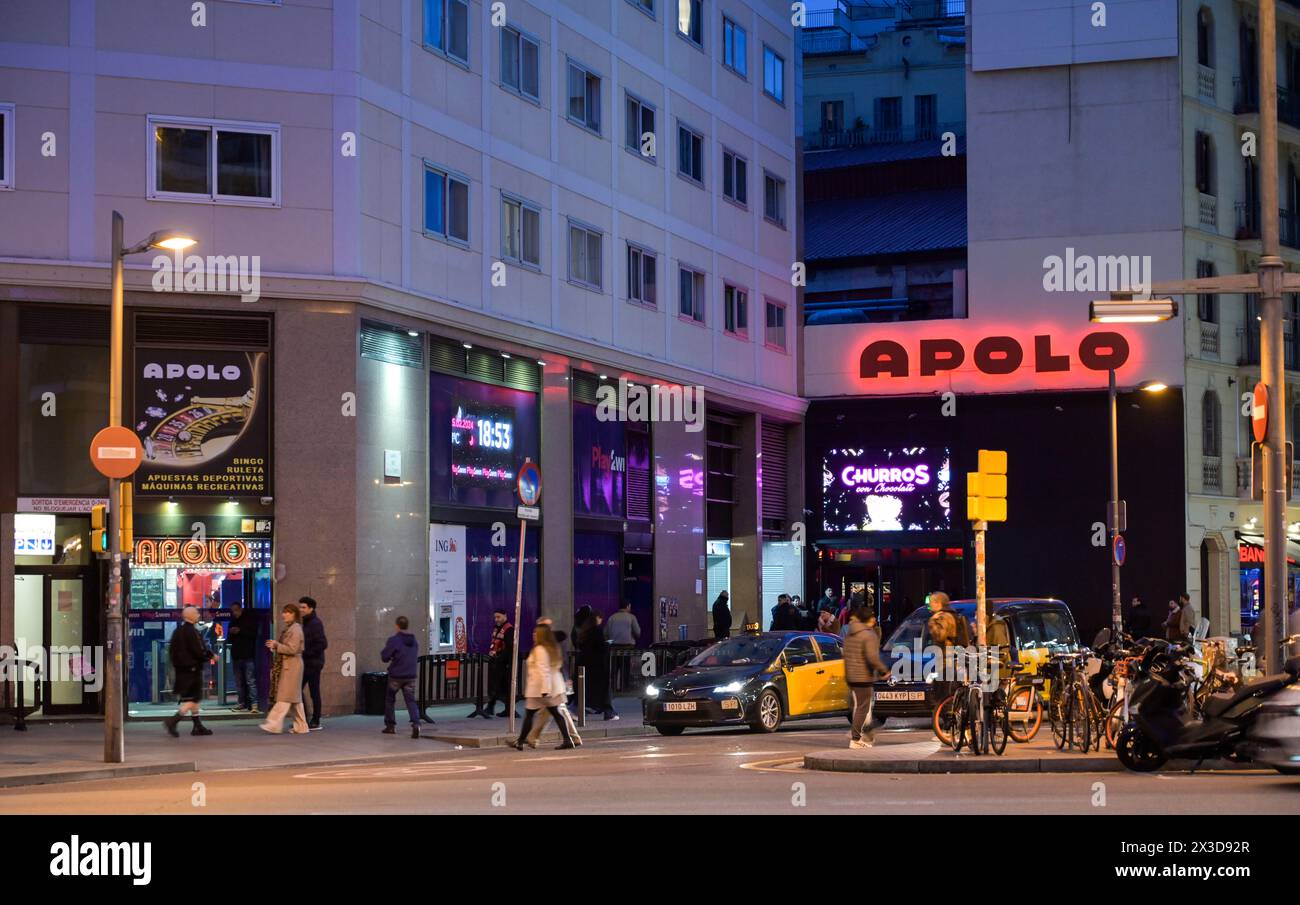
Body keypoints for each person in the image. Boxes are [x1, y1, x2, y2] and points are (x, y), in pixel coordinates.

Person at [509, 622, 577, 751]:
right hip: (550, 688)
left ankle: (520, 741)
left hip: (541, 690)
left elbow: (543, 670)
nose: (533, 635)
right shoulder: (552, 648)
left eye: (536, 633)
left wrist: (545, 690)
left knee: (531, 714)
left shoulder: (540, 650)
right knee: (555, 714)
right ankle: (567, 740)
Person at [525, 621, 584, 748]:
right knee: (555, 712)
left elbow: (548, 668)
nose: (534, 633)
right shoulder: (551, 644)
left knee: (554, 712)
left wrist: (547, 687)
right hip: (556, 684)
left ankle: (532, 738)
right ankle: (532, 738)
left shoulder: (548, 645)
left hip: (554, 685)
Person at [163, 606, 217, 737]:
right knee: (193, 698)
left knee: (191, 698)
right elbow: (199, 650)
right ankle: (173, 720)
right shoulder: (192, 632)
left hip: (182, 669)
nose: (198, 615)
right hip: (192, 669)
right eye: (197, 613)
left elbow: (172, 652)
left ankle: (197, 726)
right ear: (191, 616)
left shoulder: (178, 631)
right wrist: (211, 656)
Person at [260, 603, 309, 735]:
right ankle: (301, 726)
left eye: (287, 612)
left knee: (284, 697)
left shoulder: (295, 629)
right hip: (291, 665)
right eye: (284, 612)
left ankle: (273, 724)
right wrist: (277, 645)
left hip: (292, 666)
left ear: (294, 614)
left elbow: (292, 649)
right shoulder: (292, 628)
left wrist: (277, 645)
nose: (284, 615)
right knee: (294, 699)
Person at [844, 607, 889, 748]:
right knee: (863, 708)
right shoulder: (868, 635)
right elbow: (872, 658)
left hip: (851, 675)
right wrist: (884, 671)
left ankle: (861, 734)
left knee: (860, 707)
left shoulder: (850, 633)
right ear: (868, 619)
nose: (875, 619)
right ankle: (855, 738)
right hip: (863, 676)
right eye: (873, 616)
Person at [380, 615, 421, 738]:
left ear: (397, 626)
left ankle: (390, 726)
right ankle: (416, 723)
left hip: (396, 675)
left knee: (390, 699)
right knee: (410, 701)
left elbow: (385, 657)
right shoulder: (414, 641)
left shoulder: (394, 640)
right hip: (410, 676)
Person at [474, 608, 515, 719]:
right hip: (496, 661)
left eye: (498, 617)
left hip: (503, 663)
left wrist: (501, 658)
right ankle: (494, 707)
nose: (496, 619)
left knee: (502, 686)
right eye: (495, 617)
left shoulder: (509, 629)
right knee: (496, 686)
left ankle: (505, 709)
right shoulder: (497, 628)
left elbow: (510, 647)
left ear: (505, 616)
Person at [298, 596, 328, 730]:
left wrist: (306, 652)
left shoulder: (315, 623)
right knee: (299, 689)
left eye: (304, 607)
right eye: (300, 607)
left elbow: (323, 643)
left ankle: (315, 719)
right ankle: (305, 717)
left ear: (311, 608)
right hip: (307, 662)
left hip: (313, 663)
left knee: (313, 691)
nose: (301, 610)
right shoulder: (306, 622)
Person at [227, 602, 260, 713]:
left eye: (236, 610)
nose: (234, 613)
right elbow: (229, 639)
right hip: (237, 655)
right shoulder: (233, 621)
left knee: (250, 680)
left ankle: (254, 704)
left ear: (240, 609)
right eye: (233, 611)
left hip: (247, 654)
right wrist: (232, 633)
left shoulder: (249, 620)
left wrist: (240, 631)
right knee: (239, 681)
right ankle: (242, 703)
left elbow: (253, 634)